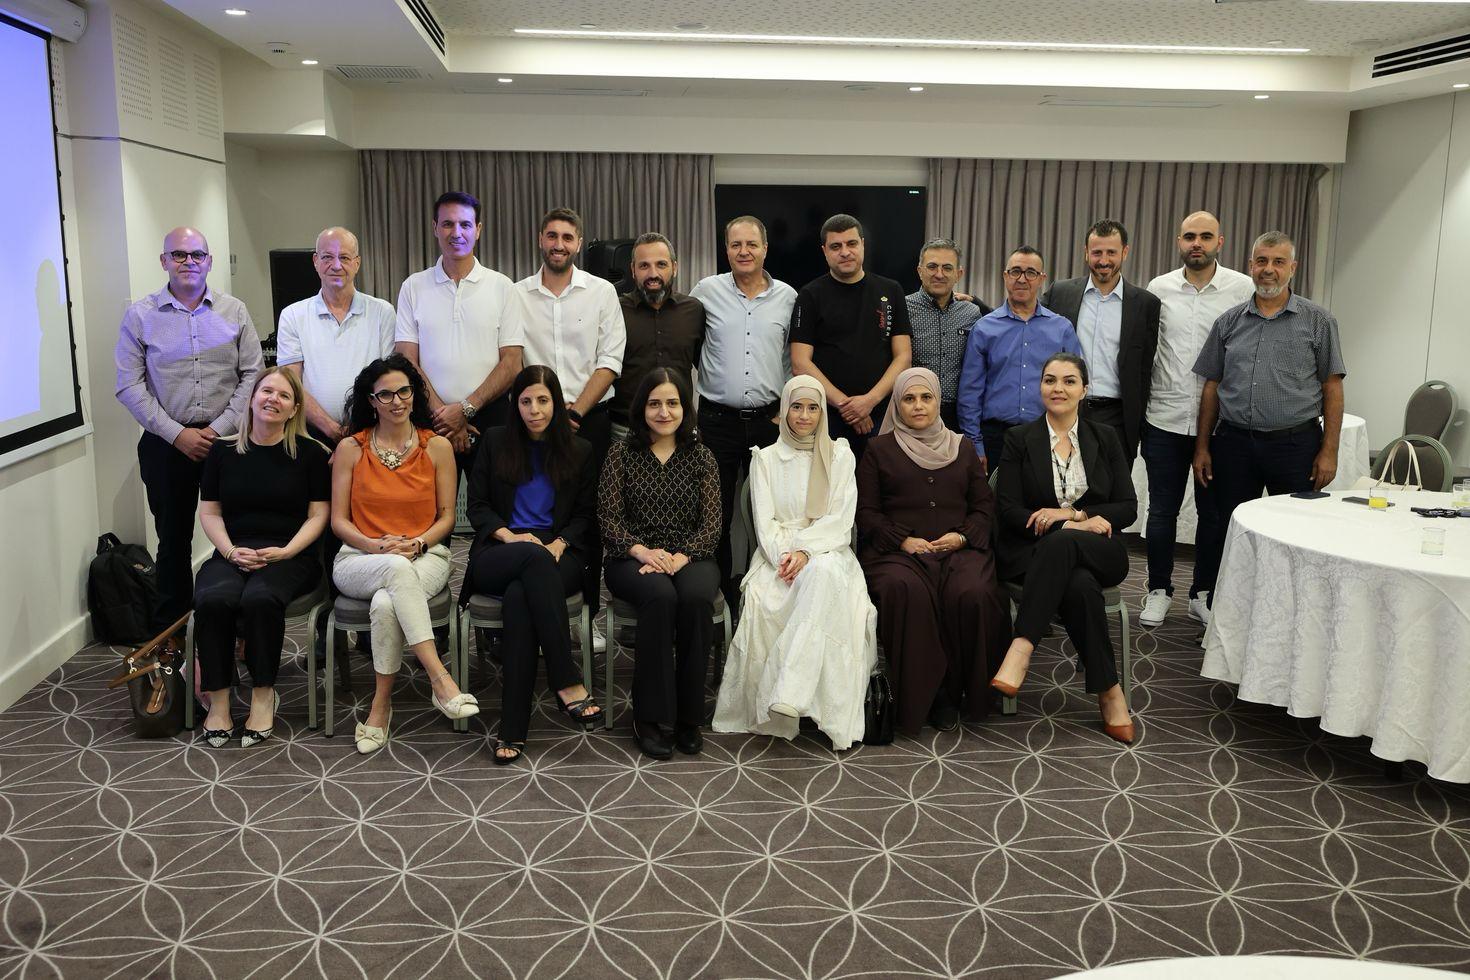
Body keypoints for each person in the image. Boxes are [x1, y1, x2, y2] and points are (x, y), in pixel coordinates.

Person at [712, 376, 877, 750]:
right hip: (778, 556)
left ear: (822, 413)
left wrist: (806, 550)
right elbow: (764, 523)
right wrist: (787, 556)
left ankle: (790, 690)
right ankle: (793, 692)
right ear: (784, 410)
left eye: (813, 407)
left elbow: (841, 520)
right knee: (775, 594)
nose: (804, 415)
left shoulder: (840, 455)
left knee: (823, 572)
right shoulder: (765, 458)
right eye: (797, 407)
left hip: (829, 548)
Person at [115, 226, 263, 642]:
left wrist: (218, 429)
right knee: (173, 540)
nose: (188, 262)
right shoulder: (141, 316)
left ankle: (238, 627)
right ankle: (172, 636)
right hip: (166, 445)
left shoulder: (234, 310)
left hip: (229, 442)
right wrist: (177, 434)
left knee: (238, 534)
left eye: (197, 254)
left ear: (209, 262)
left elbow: (253, 374)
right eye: (179, 255)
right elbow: (129, 386)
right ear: (164, 261)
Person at [1192, 230, 1346, 617]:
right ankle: (1223, 614)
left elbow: (1332, 387)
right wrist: (1202, 446)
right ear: (1250, 266)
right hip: (1234, 446)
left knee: (1294, 533)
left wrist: (1329, 450)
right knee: (1229, 530)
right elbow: (1211, 386)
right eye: (1262, 261)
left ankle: (1291, 616)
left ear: (1293, 268)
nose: (1269, 269)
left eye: (1278, 262)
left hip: (1295, 447)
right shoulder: (1228, 322)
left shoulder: (1318, 321)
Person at [331, 354, 479, 755]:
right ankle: (440, 679)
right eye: (385, 394)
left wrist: (418, 544)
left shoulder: (438, 447)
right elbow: (339, 521)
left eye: (404, 391)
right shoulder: (350, 448)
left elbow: (447, 517)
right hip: (358, 558)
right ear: (371, 400)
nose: (397, 401)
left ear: (414, 395)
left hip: (426, 555)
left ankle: (380, 706)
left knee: (385, 603)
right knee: (395, 568)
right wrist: (375, 545)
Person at [990, 353, 1138, 744]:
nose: (1058, 388)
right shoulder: (1019, 439)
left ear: (1084, 390)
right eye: (1050, 380)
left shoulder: (1105, 438)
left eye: (1069, 381)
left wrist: (1074, 515)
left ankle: (1021, 647)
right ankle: (1110, 693)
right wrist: (1072, 526)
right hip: (1034, 552)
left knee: (1066, 544)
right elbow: (1008, 511)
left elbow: (1127, 507)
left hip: (1100, 551)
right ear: (1040, 387)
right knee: (1078, 585)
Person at [855, 368, 1009, 736]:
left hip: (958, 550)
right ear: (897, 404)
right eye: (909, 399)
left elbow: (984, 507)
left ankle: (964, 692)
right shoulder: (878, 450)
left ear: (939, 401)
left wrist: (962, 537)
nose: (918, 406)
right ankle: (929, 697)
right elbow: (866, 512)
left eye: (926, 397)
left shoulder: (963, 447)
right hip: (897, 554)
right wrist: (902, 540)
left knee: (972, 592)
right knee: (905, 591)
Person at [462, 365, 603, 765]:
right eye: (526, 401)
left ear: (557, 403)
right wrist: (512, 537)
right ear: (515, 404)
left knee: (520, 597)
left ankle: (513, 726)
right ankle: (566, 678)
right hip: (500, 548)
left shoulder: (580, 450)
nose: (534, 410)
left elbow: (585, 515)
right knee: (531, 561)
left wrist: (558, 543)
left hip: (560, 552)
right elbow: (478, 507)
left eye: (543, 400)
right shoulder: (495, 441)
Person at [194, 368, 330, 747]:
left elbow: (318, 515)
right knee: (213, 598)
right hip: (232, 550)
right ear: (252, 398)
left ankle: (263, 693)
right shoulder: (222, 452)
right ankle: (219, 701)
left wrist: (287, 551)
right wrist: (229, 550)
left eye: (284, 396)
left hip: (291, 554)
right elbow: (210, 512)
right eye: (266, 391)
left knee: (260, 598)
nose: (273, 399)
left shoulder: (311, 454)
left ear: (294, 409)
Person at [516, 207, 625, 649]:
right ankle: (531, 608)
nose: (558, 244)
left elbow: (610, 360)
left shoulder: (601, 292)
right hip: (532, 422)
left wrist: (575, 413)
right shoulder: (516, 295)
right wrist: (545, 411)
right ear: (540, 239)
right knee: (536, 514)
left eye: (567, 237)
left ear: (579, 243)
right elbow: (511, 357)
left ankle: (587, 615)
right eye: (551, 236)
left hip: (589, 420)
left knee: (587, 520)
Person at [1138, 211, 1254, 628]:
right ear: (1179, 241)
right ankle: (1158, 589)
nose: (1197, 244)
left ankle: (1202, 593)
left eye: (1206, 236)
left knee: (1214, 514)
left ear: (1220, 242)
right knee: (1161, 511)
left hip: (1220, 423)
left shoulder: (1242, 288)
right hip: (1164, 417)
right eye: (1190, 236)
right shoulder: (1159, 288)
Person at [599, 367, 721, 760]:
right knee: (659, 596)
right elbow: (608, 520)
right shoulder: (621, 454)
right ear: (641, 409)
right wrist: (643, 552)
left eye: (672, 403)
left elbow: (712, 525)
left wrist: (679, 558)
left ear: (685, 408)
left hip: (691, 554)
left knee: (696, 599)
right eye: (654, 403)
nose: (664, 412)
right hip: (631, 556)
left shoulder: (701, 456)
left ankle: (689, 717)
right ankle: (648, 718)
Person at [691, 215, 798, 615]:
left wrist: (783, 411)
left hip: (769, 423)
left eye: (752, 244)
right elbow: (690, 343)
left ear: (765, 249)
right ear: (726, 250)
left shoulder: (788, 297)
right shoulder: (706, 292)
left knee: (769, 514)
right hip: (716, 422)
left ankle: (763, 600)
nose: (744, 251)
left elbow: (793, 357)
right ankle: (720, 599)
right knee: (714, 514)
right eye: (736, 244)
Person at [395, 190, 525, 478]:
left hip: (491, 419)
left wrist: (465, 409)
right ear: (435, 228)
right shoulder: (413, 287)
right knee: (428, 505)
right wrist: (444, 415)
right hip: (430, 420)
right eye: (447, 224)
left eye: (465, 224)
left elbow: (512, 363)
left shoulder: (503, 287)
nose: (456, 233)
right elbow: (406, 360)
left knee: (493, 504)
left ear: (478, 230)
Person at [790, 213, 912, 461]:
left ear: (863, 245)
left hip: (881, 415)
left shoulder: (891, 290)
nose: (845, 252)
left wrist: (869, 402)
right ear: (825, 251)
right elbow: (800, 363)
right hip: (828, 417)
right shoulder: (809, 295)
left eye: (852, 243)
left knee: (879, 484)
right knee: (830, 484)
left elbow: (903, 357)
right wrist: (848, 406)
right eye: (836, 246)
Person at [1043, 220, 1161, 465]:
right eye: (1097, 252)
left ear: (1125, 252)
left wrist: (1138, 425)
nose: (1104, 260)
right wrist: (976, 304)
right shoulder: (1060, 293)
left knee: (1111, 487)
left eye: (1111, 252)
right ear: (1086, 253)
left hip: (1117, 419)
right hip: (1066, 411)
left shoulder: (1146, 304)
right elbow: (1025, 317)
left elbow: (1145, 370)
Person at [957, 246, 1080, 472]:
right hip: (995, 439)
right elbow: (970, 393)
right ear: (1005, 276)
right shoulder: (984, 328)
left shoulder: (1062, 329)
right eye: (1015, 271)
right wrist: (975, 444)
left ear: (1042, 279)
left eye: (1031, 272)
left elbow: (1074, 390)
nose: (1022, 279)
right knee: (994, 496)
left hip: (1048, 437)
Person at [276, 226, 396, 448]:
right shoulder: (292, 315)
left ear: (357, 263)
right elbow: (291, 383)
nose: (336, 265)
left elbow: (389, 378)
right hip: (311, 436)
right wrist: (331, 428)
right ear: (315, 261)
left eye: (344, 258)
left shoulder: (383, 313)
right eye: (327, 257)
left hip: (371, 433)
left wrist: (359, 431)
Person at [609, 233, 706, 439]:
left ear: (674, 267)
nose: (653, 273)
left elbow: (707, 368)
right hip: (627, 430)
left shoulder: (694, 310)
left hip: (679, 428)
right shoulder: (614, 310)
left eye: (661, 264)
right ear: (633, 270)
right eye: (644, 266)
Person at [906, 238, 989, 431]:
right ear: (920, 271)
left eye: (947, 268)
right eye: (932, 267)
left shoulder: (972, 313)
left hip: (957, 417)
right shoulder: (903, 308)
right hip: (912, 412)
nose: (939, 274)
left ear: (959, 274)